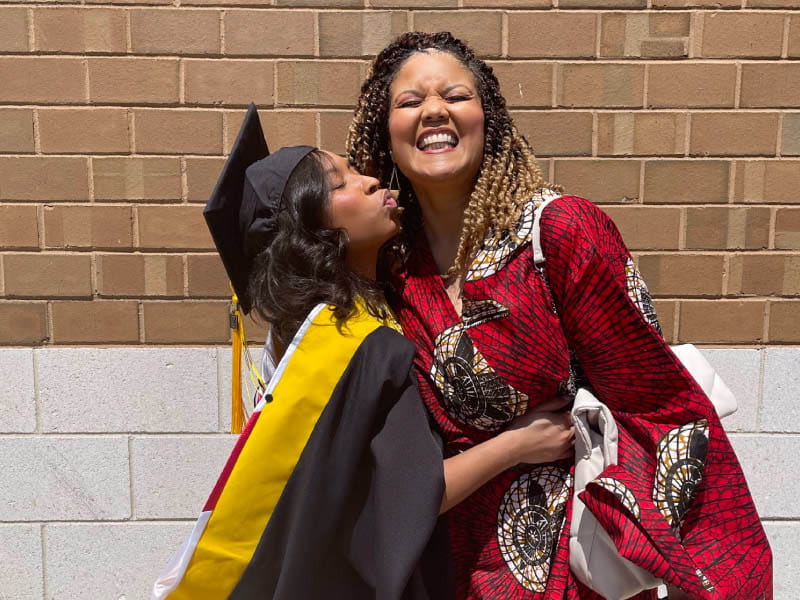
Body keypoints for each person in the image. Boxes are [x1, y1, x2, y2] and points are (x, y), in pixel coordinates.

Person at [346, 32, 772, 599]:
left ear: (488, 118)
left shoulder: (562, 234)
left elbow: (657, 403)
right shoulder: (392, 275)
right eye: (409, 102)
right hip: (448, 569)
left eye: (455, 95)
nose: (433, 111)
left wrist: (709, 569)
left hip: (576, 565)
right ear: (385, 132)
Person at [152, 104, 569, 600]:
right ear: (312, 230)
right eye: (340, 183)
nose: (370, 181)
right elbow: (407, 494)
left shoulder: (321, 330)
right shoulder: (358, 346)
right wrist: (520, 444)